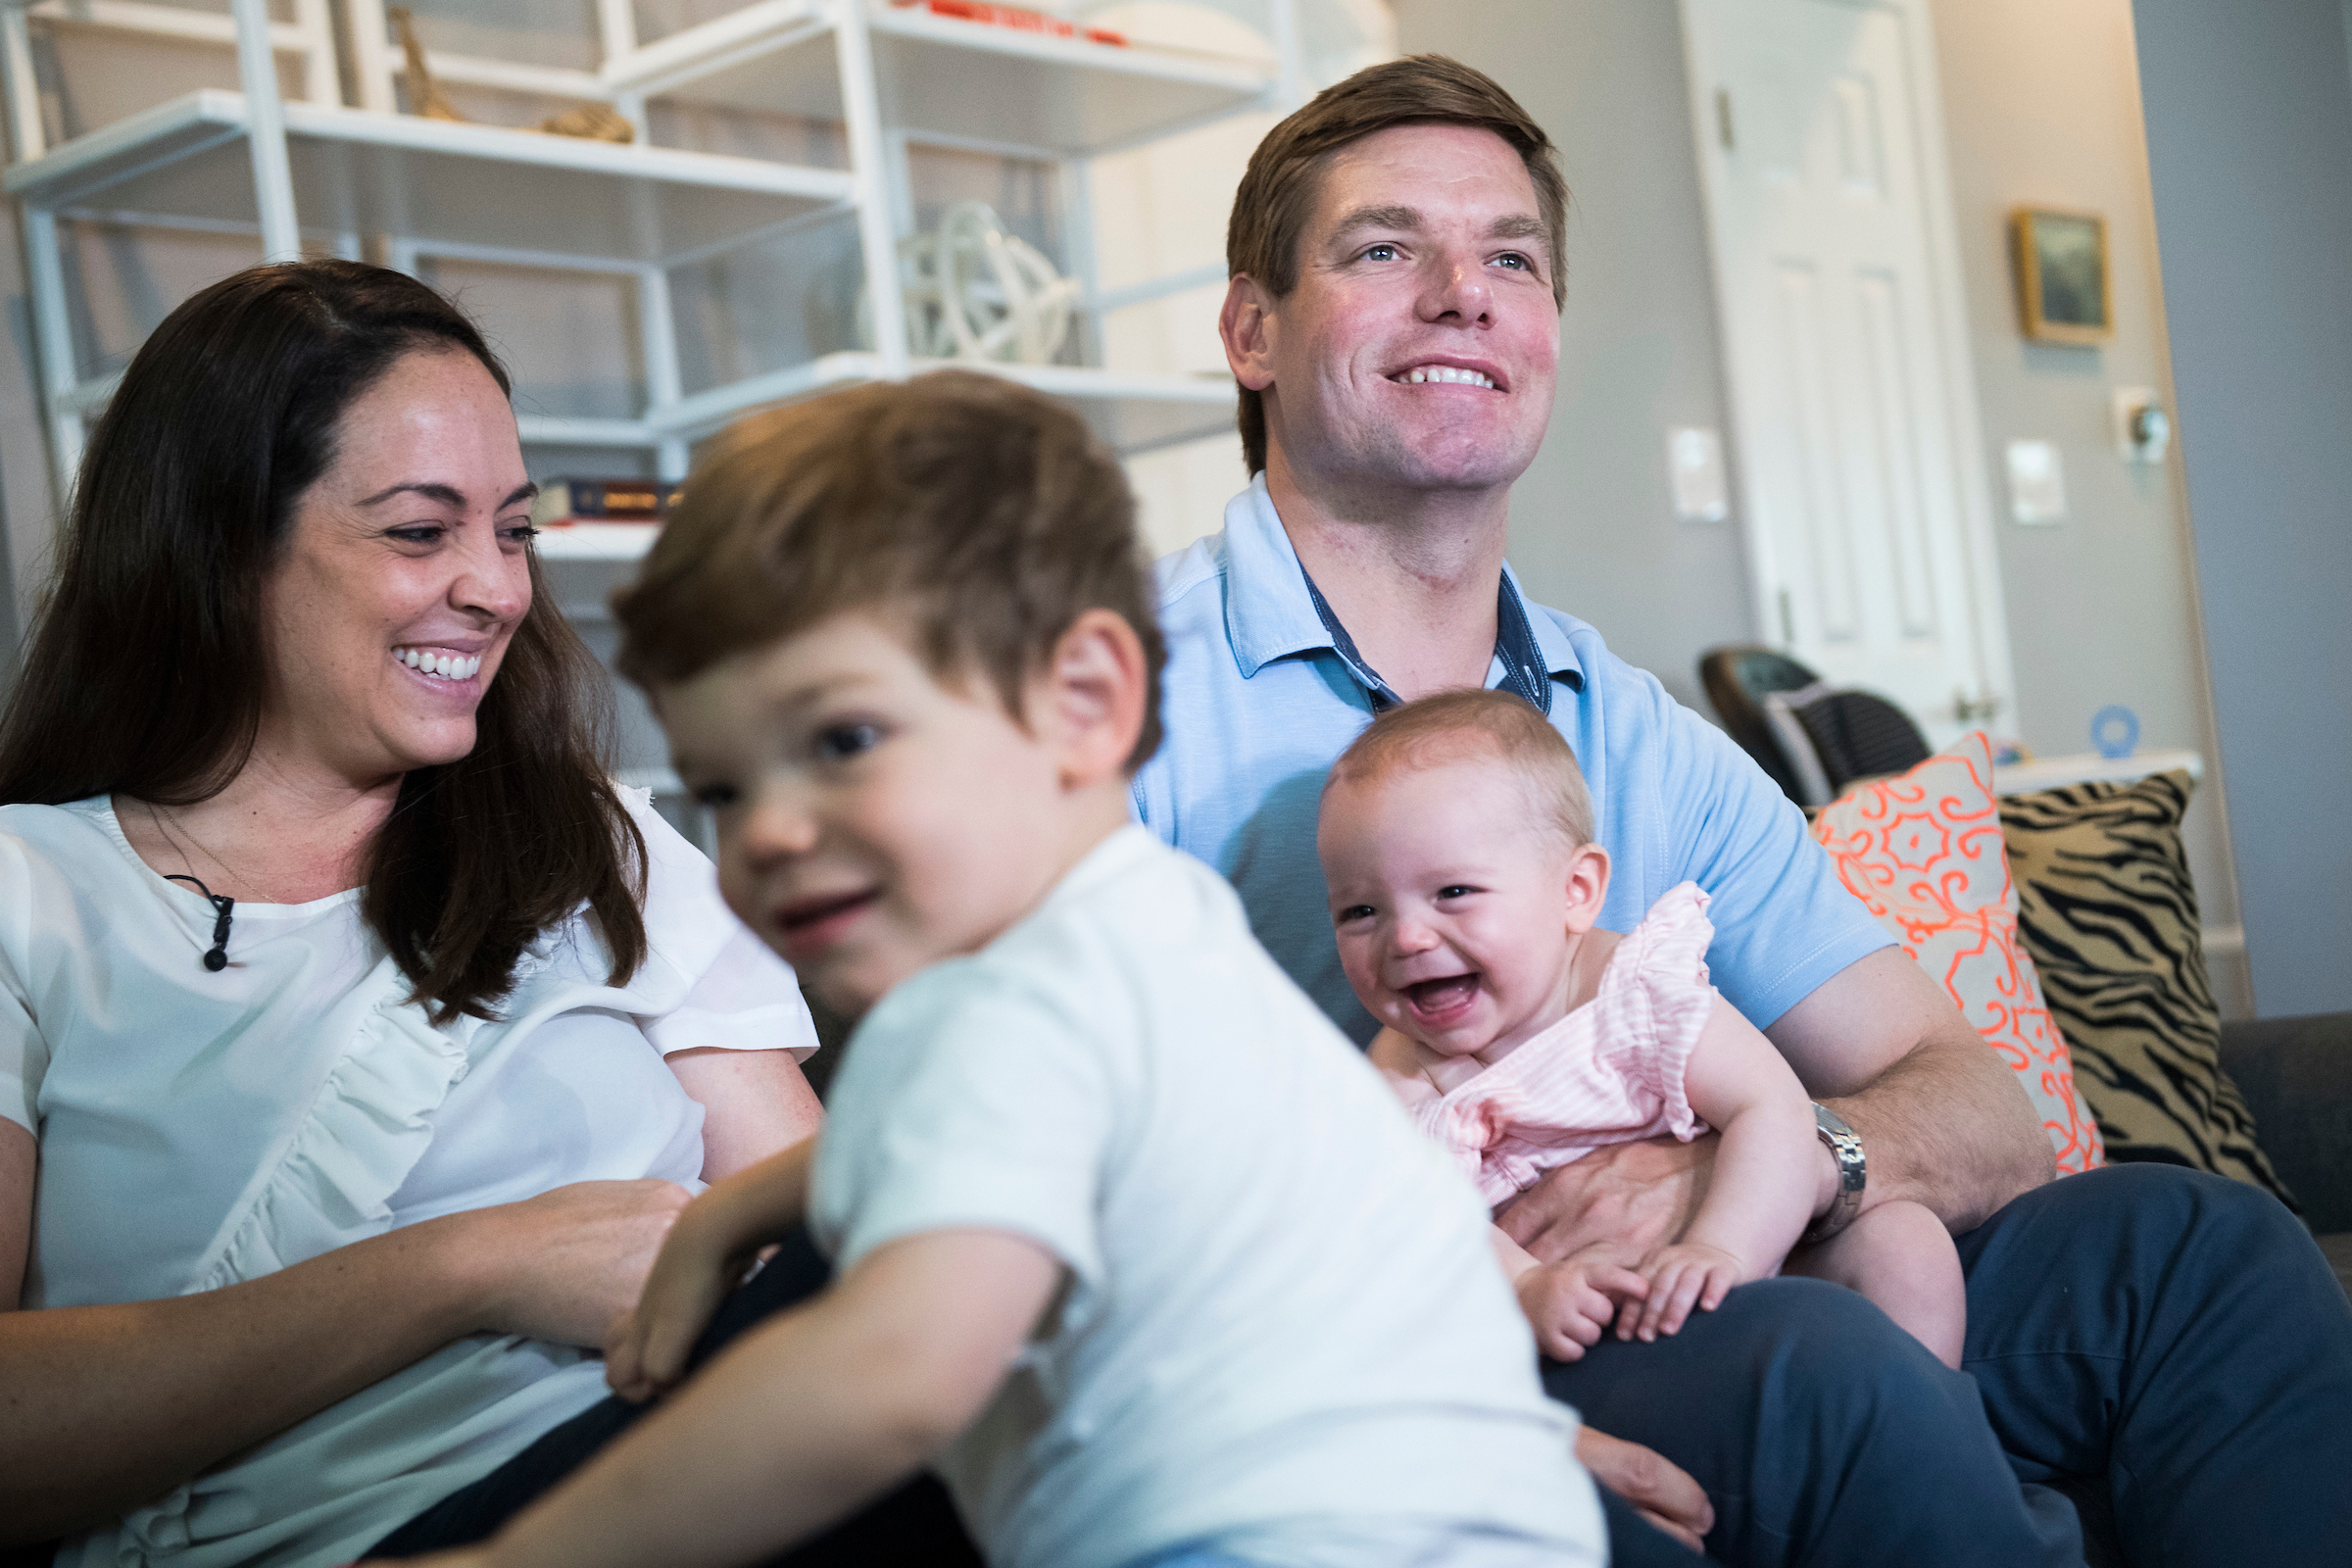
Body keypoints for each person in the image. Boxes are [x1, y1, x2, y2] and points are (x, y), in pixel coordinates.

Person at [1132, 52, 2352, 1568]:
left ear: (1549, 331)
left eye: (1509, 257)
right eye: (1386, 249)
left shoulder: (1641, 736)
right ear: (1253, 329)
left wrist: (1756, 1174)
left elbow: (1974, 1097)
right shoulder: (1111, 703)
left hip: (1729, 1267)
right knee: (1821, 1377)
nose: (1465, 293)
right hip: (1426, 1343)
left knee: (2198, 1251)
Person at [375, 369, 1604, 1568]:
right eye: (729, 788)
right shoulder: (1137, 924)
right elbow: (913, 1132)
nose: (772, 834)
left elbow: (889, 1379)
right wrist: (722, 1225)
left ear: (1083, 701)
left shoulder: (1017, 1000)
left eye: (843, 739)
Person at [0, 261, 825, 1568]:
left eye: (513, 530)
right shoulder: (29, 896)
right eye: (418, 531)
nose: (498, 590)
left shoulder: (595, 841)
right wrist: (474, 1266)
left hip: (706, 1465)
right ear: (222, 544)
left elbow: (816, 1233)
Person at [1319, 689, 1965, 1368]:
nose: (1408, 938)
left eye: (1453, 892)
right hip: (1588, 1316)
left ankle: (1943, 1436)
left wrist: (1724, 1249)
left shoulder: (1636, 989)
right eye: (1360, 911)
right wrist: (1526, 1286)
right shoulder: (1400, 1079)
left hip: (1737, 1249)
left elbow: (1768, 1107)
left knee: (1905, 1246)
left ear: (1577, 890)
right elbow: (1425, 1224)